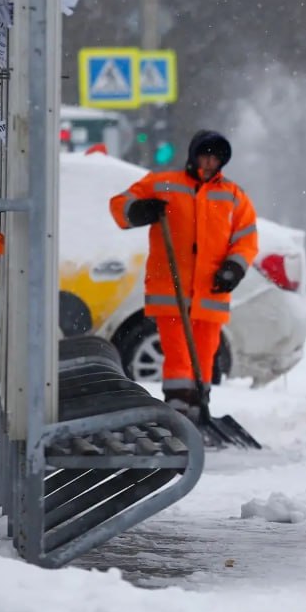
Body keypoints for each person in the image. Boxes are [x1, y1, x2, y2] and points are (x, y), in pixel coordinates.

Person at [109, 130, 258, 416]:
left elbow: (246, 239)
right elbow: (119, 205)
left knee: (204, 352)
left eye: (215, 158)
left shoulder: (233, 196)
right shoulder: (164, 184)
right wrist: (139, 211)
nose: (209, 163)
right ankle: (178, 403)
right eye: (205, 155)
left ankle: (199, 404)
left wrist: (233, 268)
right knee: (177, 352)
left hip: (212, 291)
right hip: (170, 289)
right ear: (193, 155)